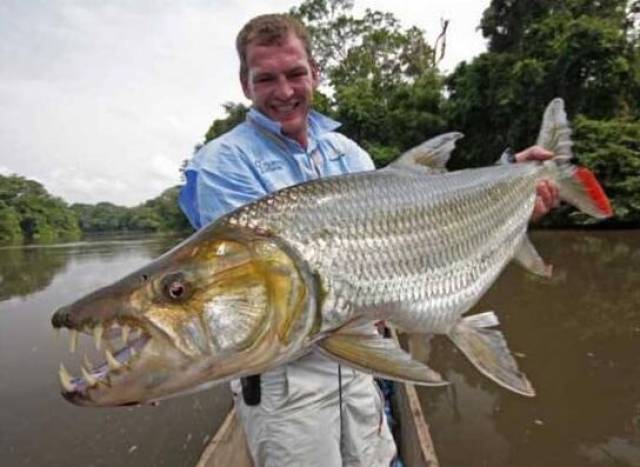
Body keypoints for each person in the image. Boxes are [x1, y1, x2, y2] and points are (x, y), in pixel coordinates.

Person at [179, 13, 559, 467]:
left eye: (296, 73)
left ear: (314, 72)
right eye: (266, 79)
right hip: (286, 386)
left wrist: (508, 183)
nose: (284, 91)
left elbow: (414, 218)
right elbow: (243, 297)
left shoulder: (348, 152)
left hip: (361, 365)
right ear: (246, 84)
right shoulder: (223, 163)